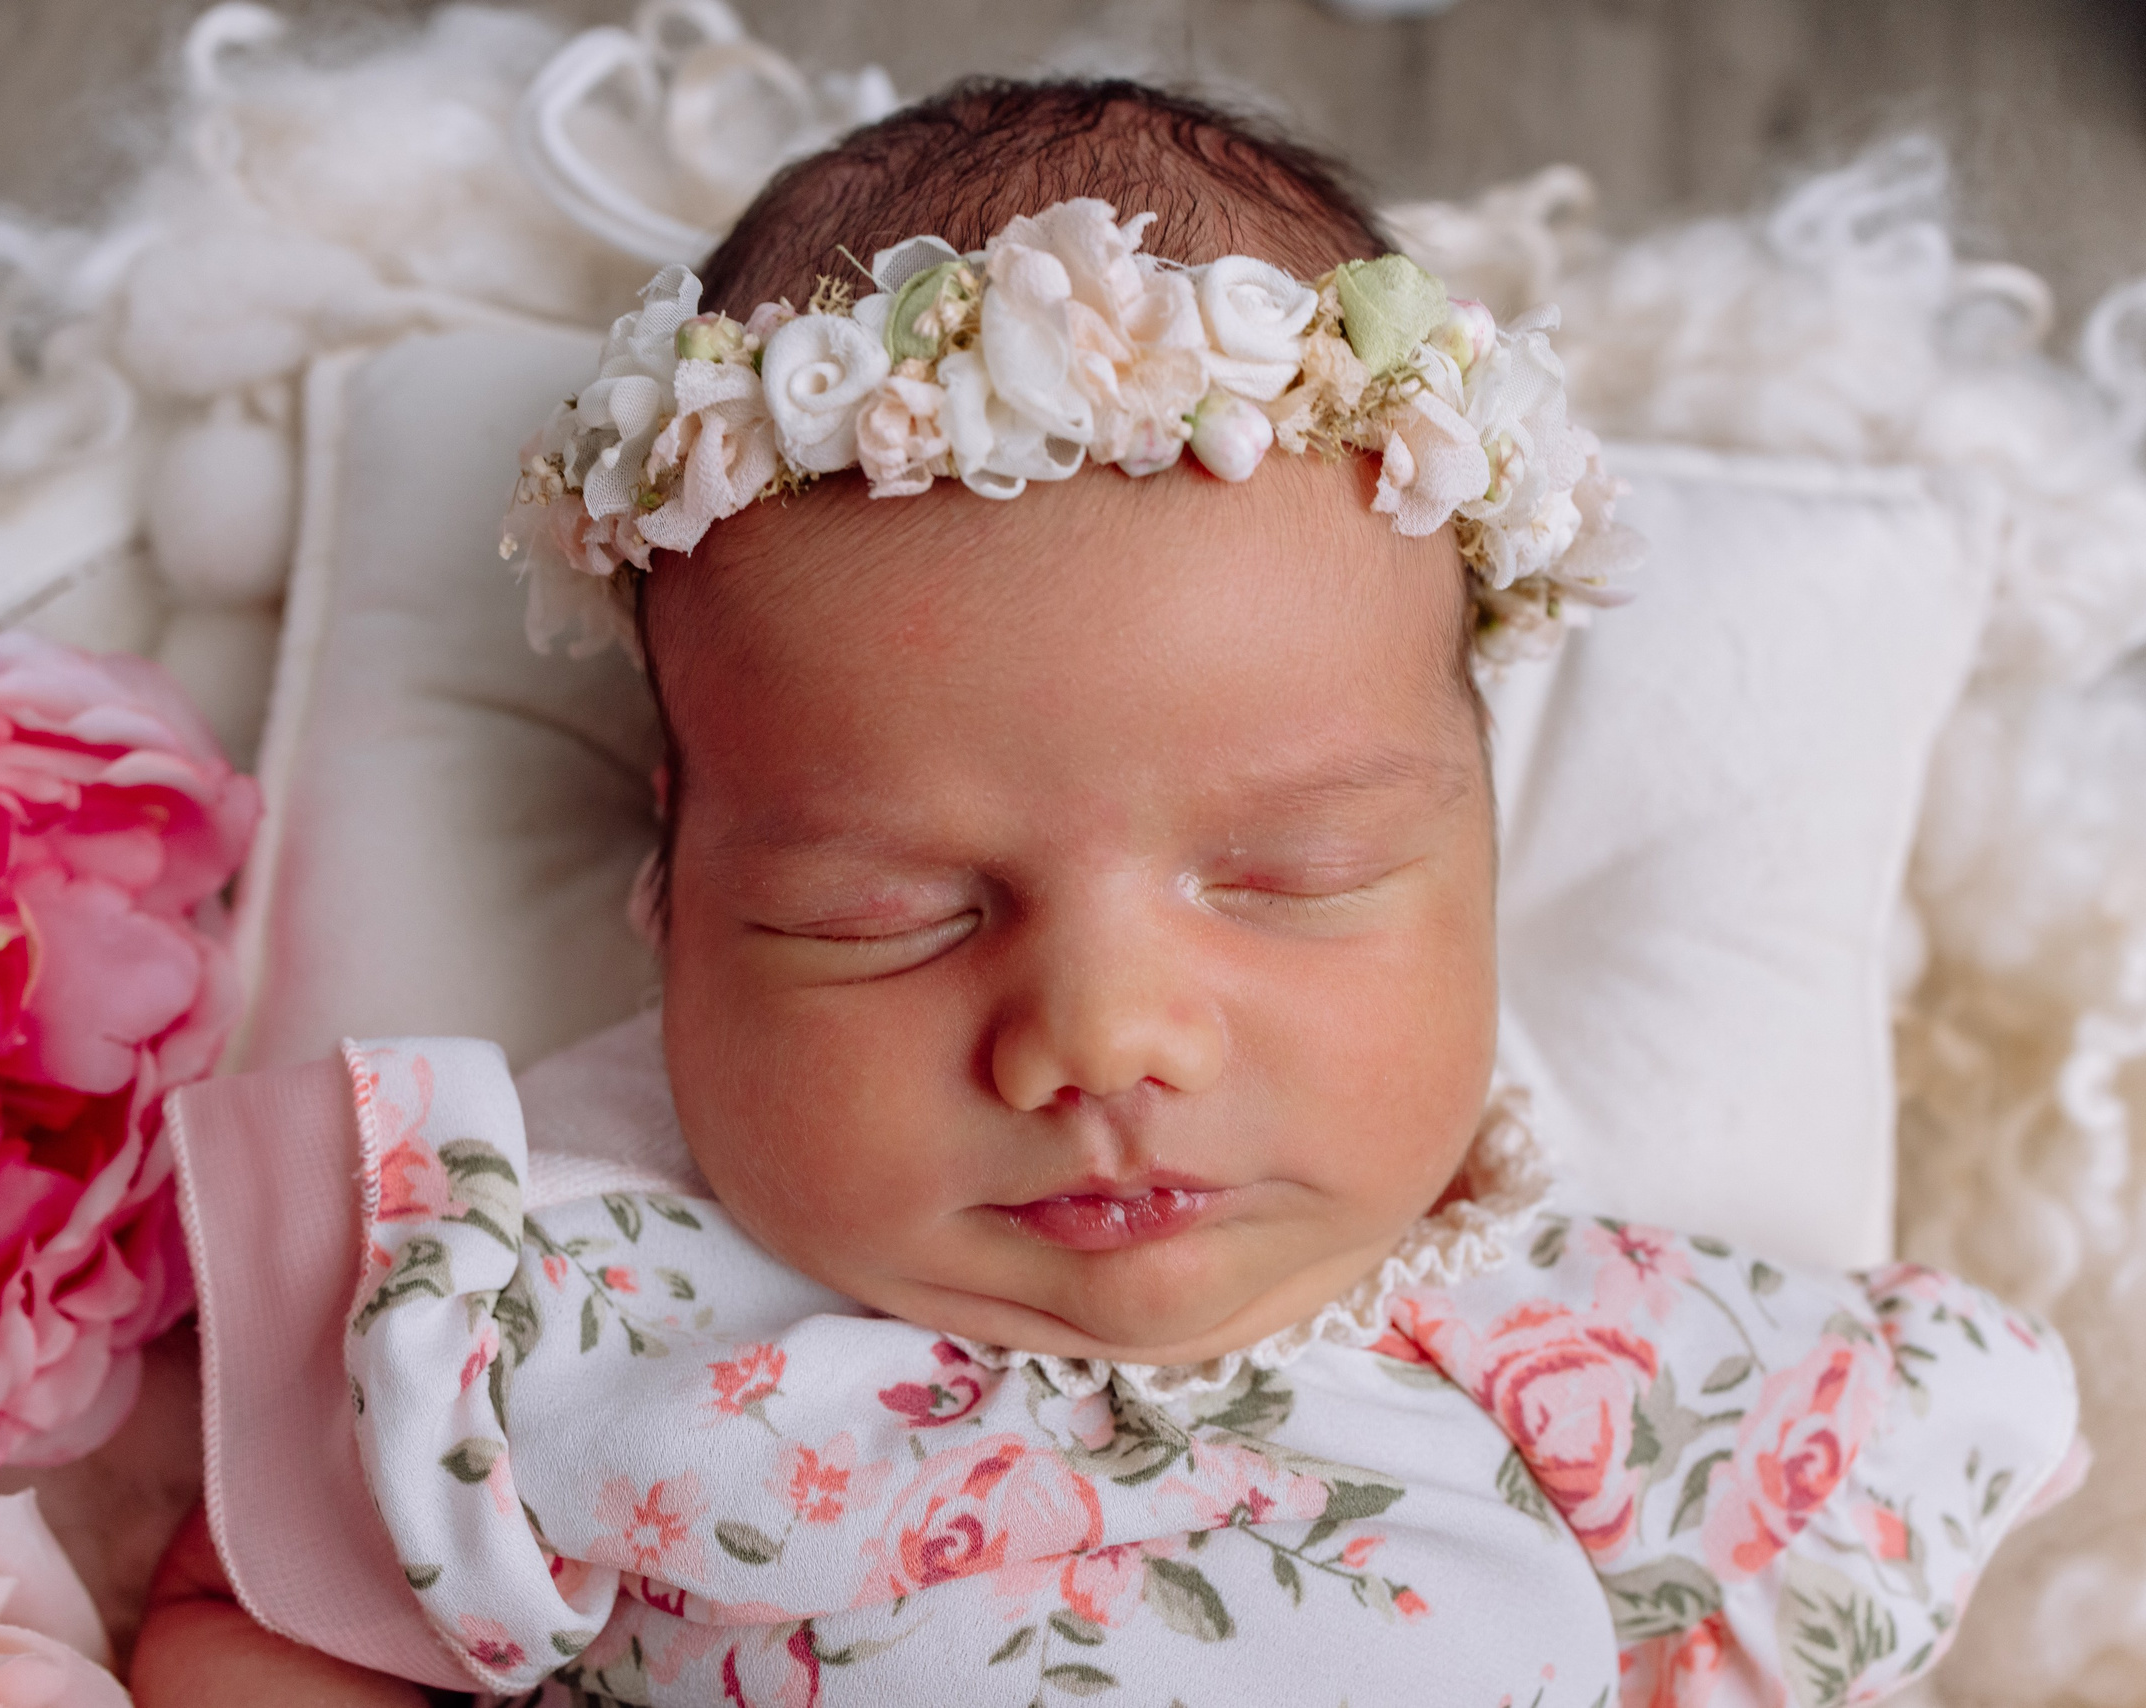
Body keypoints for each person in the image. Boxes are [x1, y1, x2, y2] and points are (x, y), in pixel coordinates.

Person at [133, 80, 2083, 1707]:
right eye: (886, 908)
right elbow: (256, 1620)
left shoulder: (1621, 1370)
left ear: (1476, 858)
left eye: (1291, 874)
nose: (1102, 1033)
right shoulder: (554, 1294)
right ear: (675, 887)